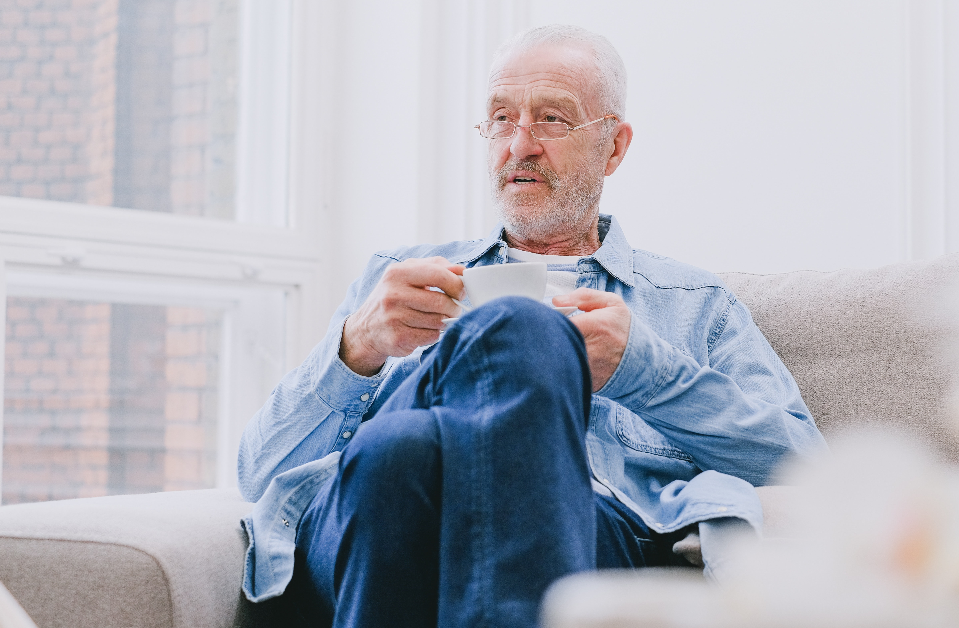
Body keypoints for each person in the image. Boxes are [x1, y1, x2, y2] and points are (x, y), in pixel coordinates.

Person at [237, 24, 826, 628]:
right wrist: (356, 347)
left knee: (400, 452)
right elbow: (259, 472)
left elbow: (808, 472)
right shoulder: (398, 281)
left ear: (614, 147)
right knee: (503, 345)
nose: (519, 144)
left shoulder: (695, 304)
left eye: (552, 119)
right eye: (500, 117)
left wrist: (646, 373)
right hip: (357, 527)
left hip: (593, 534)